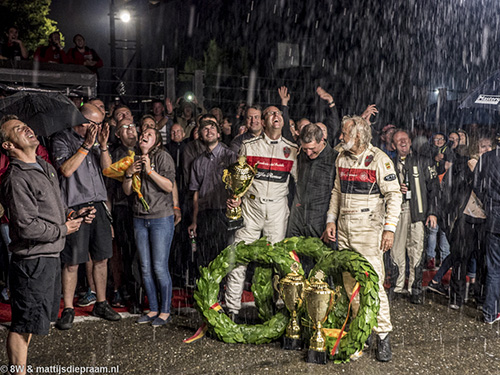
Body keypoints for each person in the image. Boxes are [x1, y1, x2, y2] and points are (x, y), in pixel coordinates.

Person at [0, 116, 92, 374]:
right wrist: (64, 229)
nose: (27, 128)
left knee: (33, 323)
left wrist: (73, 215)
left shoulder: (45, 166)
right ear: (8, 146)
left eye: (25, 125)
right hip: (32, 262)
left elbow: (56, 208)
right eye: (18, 129)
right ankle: (17, 372)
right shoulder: (16, 178)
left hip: (50, 256)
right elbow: (26, 226)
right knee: (23, 324)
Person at [322, 115, 402, 362]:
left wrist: (389, 229)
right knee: (350, 285)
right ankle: (362, 330)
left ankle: (383, 336)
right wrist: (330, 220)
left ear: (357, 135)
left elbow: (394, 195)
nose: (340, 137)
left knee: (373, 284)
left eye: (344, 133)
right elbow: (337, 191)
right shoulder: (340, 157)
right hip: (344, 228)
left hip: (369, 230)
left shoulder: (379, 159)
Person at [51, 103, 121, 330]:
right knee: (72, 261)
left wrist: (102, 146)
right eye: (97, 124)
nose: (100, 128)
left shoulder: (96, 143)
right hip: (75, 205)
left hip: (98, 203)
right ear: (84, 122)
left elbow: (108, 170)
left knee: (101, 257)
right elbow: (66, 170)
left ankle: (101, 302)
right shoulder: (62, 139)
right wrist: (86, 145)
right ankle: (69, 308)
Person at [225, 106, 298, 320]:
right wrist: (234, 197)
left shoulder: (292, 149)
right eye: (270, 114)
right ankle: (232, 309)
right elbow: (238, 180)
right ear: (263, 121)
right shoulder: (248, 145)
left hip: (277, 209)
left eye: (278, 113)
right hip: (251, 208)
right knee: (238, 256)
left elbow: (301, 184)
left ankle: (273, 309)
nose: (276, 116)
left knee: (277, 261)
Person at [123, 128, 177, 326]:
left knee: (159, 267)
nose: (144, 136)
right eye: (142, 134)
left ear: (157, 141)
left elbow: (169, 186)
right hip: (139, 218)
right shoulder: (134, 158)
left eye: (150, 135)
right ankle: (153, 308)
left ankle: (165, 311)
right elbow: (128, 191)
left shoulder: (163, 157)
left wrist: (150, 171)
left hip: (160, 218)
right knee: (144, 268)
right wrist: (129, 174)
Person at [388, 129, 439, 304]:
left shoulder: (423, 161)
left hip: (419, 212)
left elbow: (434, 188)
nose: (402, 142)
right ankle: (397, 286)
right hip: (397, 213)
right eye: (398, 140)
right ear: (393, 145)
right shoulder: (388, 164)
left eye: (405, 139)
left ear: (410, 142)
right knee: (396, 249)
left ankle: (415, 289)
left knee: (416, 250)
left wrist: (432, 212)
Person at [188, 116, 237, 275]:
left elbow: (239, 186)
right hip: (204, 213)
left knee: (222, 256)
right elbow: (195, 193)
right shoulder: (197, 162)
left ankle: (221, 293)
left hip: (223, 212)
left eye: (212, 128)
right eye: (205, 129)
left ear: (218, 134)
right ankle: (206, 293)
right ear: (200, 135)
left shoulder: (230, 157)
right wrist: (194, 220)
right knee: (204, 255)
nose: (209, 131)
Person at [287, 123, 337, 273]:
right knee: (293, 261)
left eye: (312, 149)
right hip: (297, 216)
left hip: (320, 218)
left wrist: (331, 222)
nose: (308, 153)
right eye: (305, 148)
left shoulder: (335, 158)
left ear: (322, 140)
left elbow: (337, 194)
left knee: (321, 267)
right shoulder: (301, 154)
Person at [473, 145, 500, 324]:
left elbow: (476, 184)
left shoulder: (488, 158)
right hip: (494, 216)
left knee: (494, 269)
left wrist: (489, 203)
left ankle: (490, 311)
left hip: (493, 219)